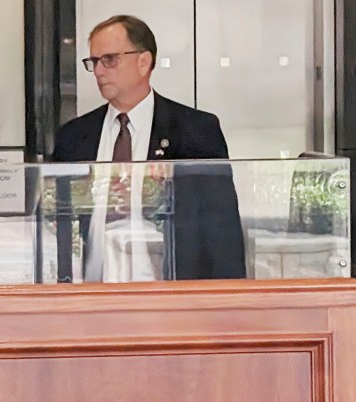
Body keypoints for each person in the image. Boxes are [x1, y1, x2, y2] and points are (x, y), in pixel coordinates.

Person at [52, 15, 246, 280]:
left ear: (144, 62)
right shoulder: (74, 137)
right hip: (91, 295)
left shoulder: (195, 131)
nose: (98, 71)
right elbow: (52, 222)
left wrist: (227, 304)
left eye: (109, 59)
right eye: (94, 62)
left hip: (169, 297)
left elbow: (222, 232)